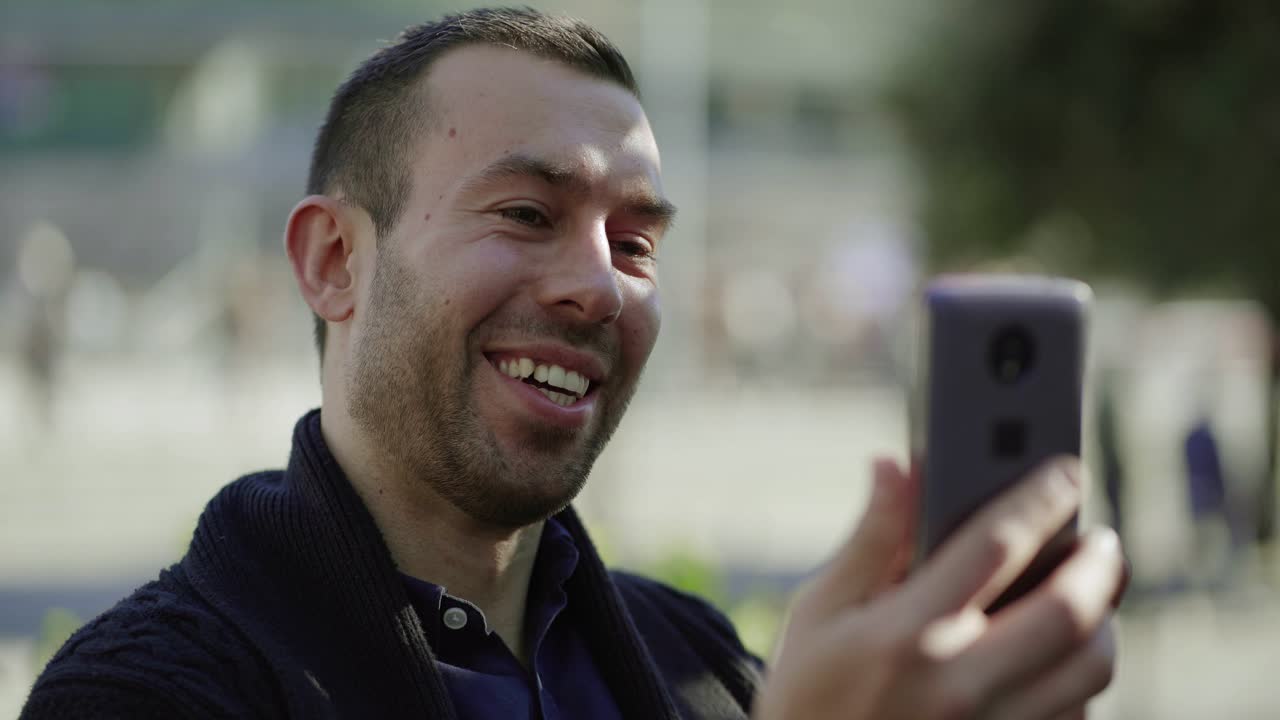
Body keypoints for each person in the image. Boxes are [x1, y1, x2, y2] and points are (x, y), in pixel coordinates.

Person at [21, 8, 1124, 719]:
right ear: (331, 261)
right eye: (524, 211)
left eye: (634, 242)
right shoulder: (146, 695)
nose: (597, 286)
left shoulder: (705, 667)